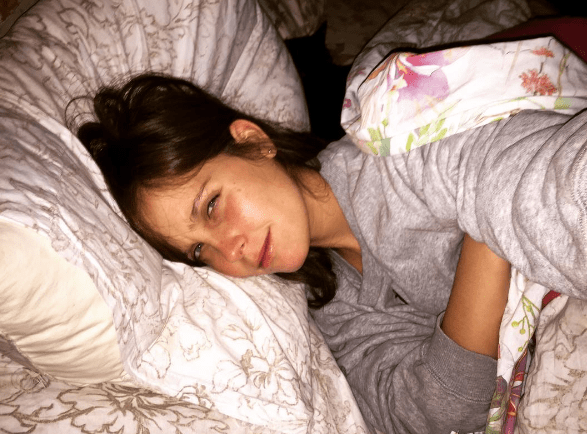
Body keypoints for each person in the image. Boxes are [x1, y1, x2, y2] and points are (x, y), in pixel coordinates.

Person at [75, 72, 587, 433]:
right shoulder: (331, 308)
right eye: (199, 251)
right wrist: (484, 227)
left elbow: (549, 188)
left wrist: (484, 204)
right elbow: (435, 413)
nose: (230, 249)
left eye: (211, 205)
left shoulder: (399, 146)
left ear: (253, 141)